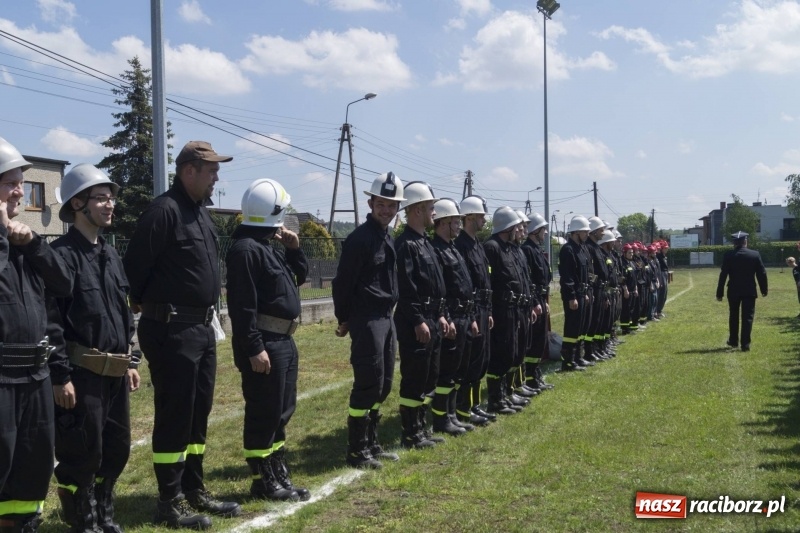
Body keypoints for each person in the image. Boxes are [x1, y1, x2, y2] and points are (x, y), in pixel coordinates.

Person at [123, 141, 241, 530]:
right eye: (211, 171)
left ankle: (194, 488)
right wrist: (150, 305)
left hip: (202, 329)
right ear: (189, 171)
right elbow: (134, 268)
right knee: (175, 414)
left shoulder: (200, 212)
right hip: (172, 329)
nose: (216, 177)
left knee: (197, 413)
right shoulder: (164, 211)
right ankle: (168, 500)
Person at [48, 164, 140, 533]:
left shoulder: (110, 254)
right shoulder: (60, 256)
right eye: (101, 198)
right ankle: (83, 521)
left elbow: (123, 313)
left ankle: (104, 515)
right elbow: (51, 320)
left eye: (110, 198)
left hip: (115, 374)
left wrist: (131, 360)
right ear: (78, 204)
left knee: (116, 448)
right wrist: (60, 376)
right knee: (82, 452)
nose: (110, 204)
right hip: (80, 375)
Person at [0, 137, 73, 533]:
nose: (18, 192)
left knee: (33, 466)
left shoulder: (24, 241)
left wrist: (32, 244)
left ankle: (23, 524)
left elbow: (63, 284)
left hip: (35, 378)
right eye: (9, 183)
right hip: (2, 381)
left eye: (20, 183)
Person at [226, 179, 310, 502]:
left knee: (281, 410)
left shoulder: (265, 247)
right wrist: (254, 348)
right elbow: (242, 306)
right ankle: (262, 480)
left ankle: (277, 470)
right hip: (265, 343)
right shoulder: (246, 250)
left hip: (283, 341)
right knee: (264, 411)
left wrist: (294, 249)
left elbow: (299, 277)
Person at [332, 172, 405, 469]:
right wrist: (344, 318)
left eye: (392, 205)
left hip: (387, 317)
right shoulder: (359, 239)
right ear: (371, 203)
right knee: (368, 381)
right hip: (367, 318)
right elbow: (342, 283)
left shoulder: (387, 236)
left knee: (384, 383)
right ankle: (357, 450)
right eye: (381, 204)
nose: (386, 210)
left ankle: (372, 442)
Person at [394, 181, 449, 449]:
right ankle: (411, 433)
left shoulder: (424, 242)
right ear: (417, 210)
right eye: (430, 208)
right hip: (416, 321)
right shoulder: (405, 245)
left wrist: (440, 315)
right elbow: (406, 288)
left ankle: (422, 427)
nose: (434, 213)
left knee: (429, 376)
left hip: (431, 318)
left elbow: (435, 284)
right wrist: (417, 320)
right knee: (414, 377)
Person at [431, 198, 479, 434]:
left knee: (459, 369)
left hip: (465, 316)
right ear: (443, 223)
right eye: (455, 222)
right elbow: (441, 290)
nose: (459, 226)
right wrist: (446, 317)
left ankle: (452, 414)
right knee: (447, 371)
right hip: (452, 318)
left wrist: (472, 317)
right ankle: (441, 419)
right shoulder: (437, 251)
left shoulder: (452, 248)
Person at [453, 196, 496, 424]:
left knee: (481, 360)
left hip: (483, 308)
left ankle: (475, 405)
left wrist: (488, 311)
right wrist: (472, 315)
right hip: (472, 310)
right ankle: (464, 409)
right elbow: (464, 284)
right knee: (470, 361)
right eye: (481, 216)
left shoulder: (478, 244)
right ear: (469, 217)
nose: (484, 221)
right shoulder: (461, 245)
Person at [483, 207, 526, 413]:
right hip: (500, 309)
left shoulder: (508, 248)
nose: (518, 230)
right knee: (500, 354)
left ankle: (506, 394)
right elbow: (489, 281)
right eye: (516, 226)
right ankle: (495, 399)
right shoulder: (492, 247)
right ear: (507, 227)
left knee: (510, 352)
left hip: (513, 308)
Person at [716, 231, 768, 352]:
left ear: (734, 243)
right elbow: (762, 273)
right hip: (749, 290)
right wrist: (764, 289)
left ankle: (733, 340)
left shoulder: (728, 255)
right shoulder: (754, 254)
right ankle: (745, 344)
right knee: (748, 317)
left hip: (733, 290)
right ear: (745, 241)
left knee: (733, 315)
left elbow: (723, 274)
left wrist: (719, 292)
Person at [522, 212, 555, 391]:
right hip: (535, 300)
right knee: (534, 341)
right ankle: (530, 378)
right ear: (535, 231)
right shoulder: (528, 250)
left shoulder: (536, 250)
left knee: (540, 340)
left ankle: (535, 374)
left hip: (541, 299)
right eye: (543, 229)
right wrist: (535, 302)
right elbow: (530, 280)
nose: (545, 233)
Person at [558, 215, 591, 371]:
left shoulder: (580, 248)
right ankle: (568, 361)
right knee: (571, 328)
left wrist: (585, 292)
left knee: (580, 327)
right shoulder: (568, 250)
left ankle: (578, 357)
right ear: (576, 232)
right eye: (585, 232)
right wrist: (571, 296)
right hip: (573, 295)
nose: (587, 234)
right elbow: (568, 276)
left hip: (581, 293)